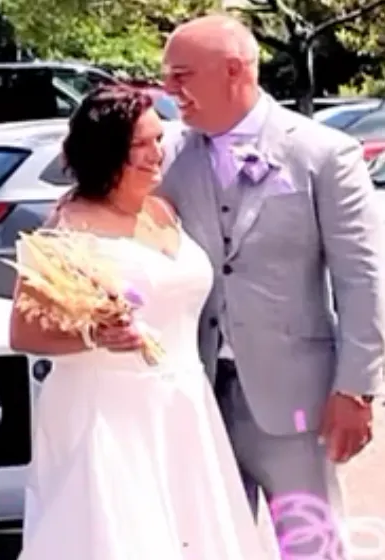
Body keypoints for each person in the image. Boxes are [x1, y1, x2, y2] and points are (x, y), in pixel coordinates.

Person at [101, 15, 385, 559]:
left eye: (182, 75)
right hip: (195, 390)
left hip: (297, 399)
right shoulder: (172, 156)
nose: (169, 90)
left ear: (233, 71)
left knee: (312, 546)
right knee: (205, 543)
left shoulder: (324, 154)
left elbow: (362, 277)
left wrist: (356, 389)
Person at [11, 84, 272, 559]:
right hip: (106, 411)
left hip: (183, 402)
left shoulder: (165, 209)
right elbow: (23, 331)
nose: (159, 153)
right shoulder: (65, 229)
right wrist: (95, 333)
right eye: (143, 144)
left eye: (159, 139)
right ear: (108, 151)